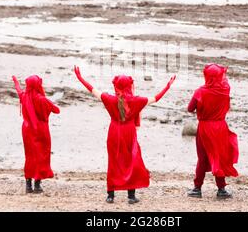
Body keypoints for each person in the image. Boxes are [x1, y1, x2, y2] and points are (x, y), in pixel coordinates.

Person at [74, 66, 175, 204]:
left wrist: (80, 78)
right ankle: (131, 196)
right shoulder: (136, 101)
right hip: (129, 131)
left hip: (114, 130)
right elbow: (156, 98)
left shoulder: (110, 99)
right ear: (130, 86)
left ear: (116, 86)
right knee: (131, 161)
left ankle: (110, 195)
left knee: (113, 161)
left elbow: (93, 90)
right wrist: (168, 86)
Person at [187, 64, 239, 199]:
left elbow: (190, 108)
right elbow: (225, 80)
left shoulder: (201, 91)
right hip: (220, 127)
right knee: (219, 156)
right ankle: (221, 189)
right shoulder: (225, 89)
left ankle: (197, 188)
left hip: (205, 127)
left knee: (203, 158)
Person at [12, 75, 60, 194]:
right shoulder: (41, 99)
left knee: (30, 156)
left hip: (27, 129)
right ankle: (37, 185)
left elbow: (19, 91)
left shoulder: (24, 96)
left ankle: (28, 185)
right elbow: (56, 110)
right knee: (41, 156)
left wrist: (16, 82)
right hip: (40, 129)